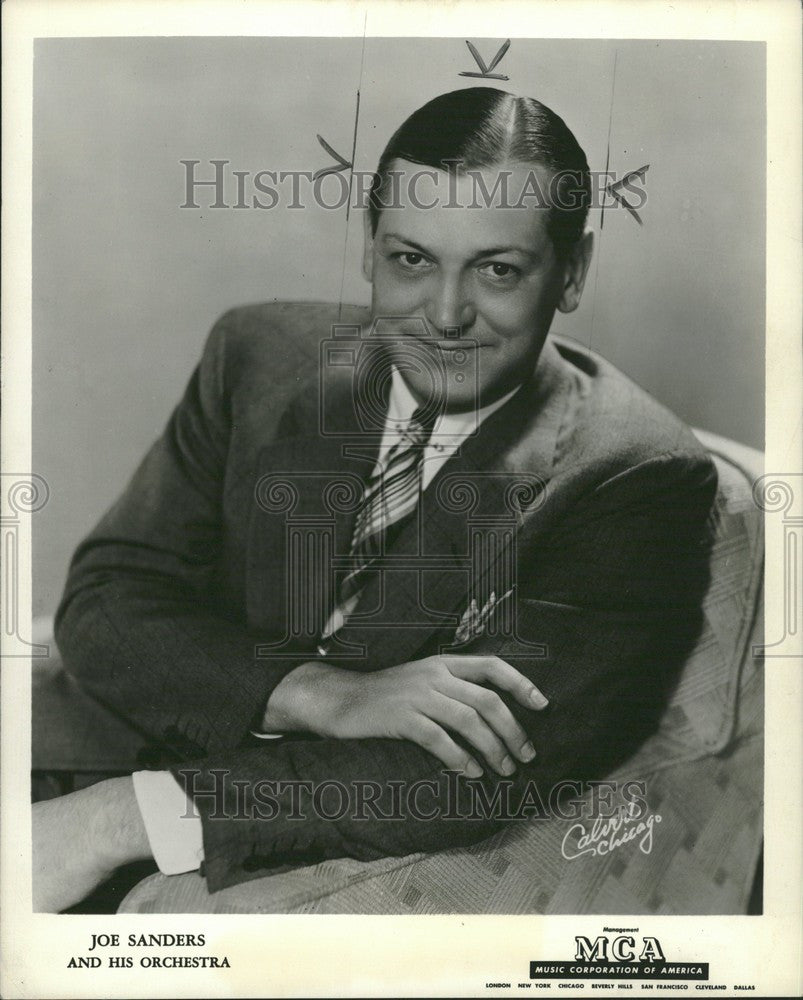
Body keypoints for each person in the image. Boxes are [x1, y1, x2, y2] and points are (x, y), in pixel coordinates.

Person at [32, 87, 717, 912]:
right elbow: (109, 600)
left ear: (571, 273)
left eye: (497, 269)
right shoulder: (256, 354)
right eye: (411, 260)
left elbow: (460, 777)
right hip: (120, 747)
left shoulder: (636, 476)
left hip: (278, 862)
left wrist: (116, 820)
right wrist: (318, 691)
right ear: (369, 250)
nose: (446, 315)